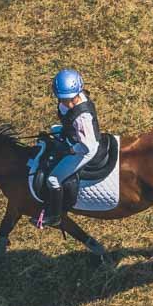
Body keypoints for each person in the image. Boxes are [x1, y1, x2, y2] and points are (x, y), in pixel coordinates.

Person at [42, 68, 109, 227]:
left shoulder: (82, 118)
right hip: (73, 135)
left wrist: (71, 150)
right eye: (63, 99)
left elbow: (87, 146)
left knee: (53, 178)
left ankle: (55, 216)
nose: (68, 103)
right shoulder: (71, 100)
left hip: (85, 150)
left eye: (71, 99)